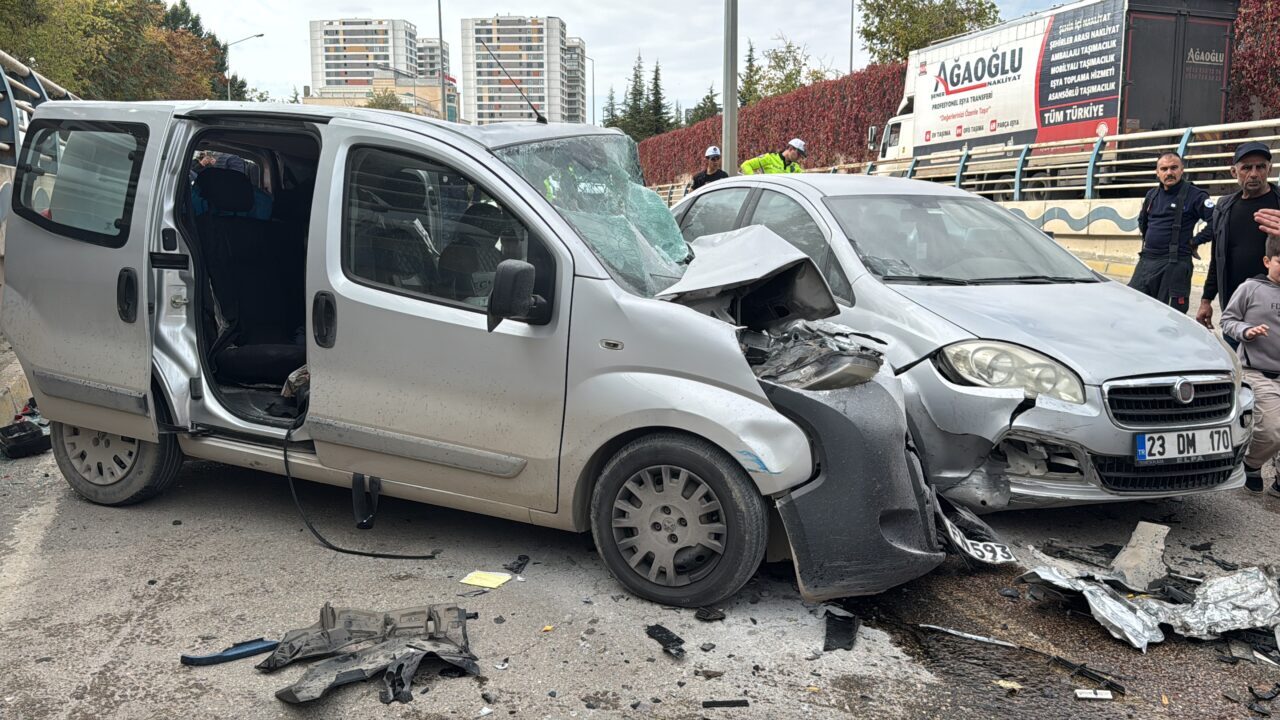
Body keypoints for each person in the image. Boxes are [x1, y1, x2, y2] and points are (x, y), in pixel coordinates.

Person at [1195, 141, 1280, 334]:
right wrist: (1206, 300)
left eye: (1260, 167)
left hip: (1274, 313)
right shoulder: (1224, 208)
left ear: (1270, 169)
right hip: (1235, 310)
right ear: (1234, 172)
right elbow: (1218, 259)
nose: (1254, 173)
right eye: (1246, 168)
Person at [1220, 233, 1280, 494]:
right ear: (1267, 261)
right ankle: (1251, 463)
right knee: (1271, 429)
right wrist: (1247, 331)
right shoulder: (1251, 288)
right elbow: (1227, 321)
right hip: (1258, 372)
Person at [1127, 152, 1213, 313]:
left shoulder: (1195, 195)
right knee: (1132, 308)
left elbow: (1216, 223)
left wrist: (1195, 241)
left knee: (1171, 317)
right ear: (1157, 172)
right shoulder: (1151, 195)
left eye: (1174, 168)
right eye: (1164, 169)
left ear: (1182, 170)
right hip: (1147, 261)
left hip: (1175, 263)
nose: (1169, 173)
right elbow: (1142, 221)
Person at [740, 138, 806, 174]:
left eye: (801, 155)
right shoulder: (769, 158)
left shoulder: (796, 168)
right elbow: (746, 165)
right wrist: (755, 181)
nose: (799, 157)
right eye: (799, 154)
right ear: (791, 149)